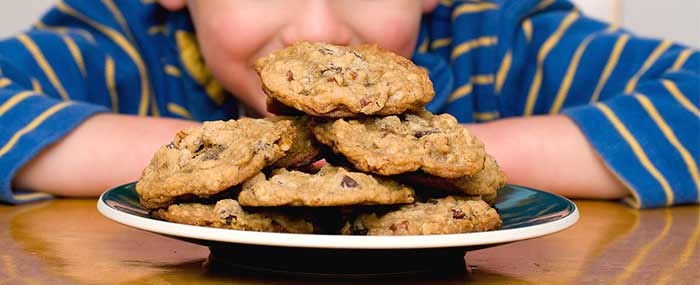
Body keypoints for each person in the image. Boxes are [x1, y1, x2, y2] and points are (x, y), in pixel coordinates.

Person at [0, 0, 697, 208]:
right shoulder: (125, 44)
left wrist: (434, 160)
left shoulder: (498, 41)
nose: (320, 34)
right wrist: (219, 159)